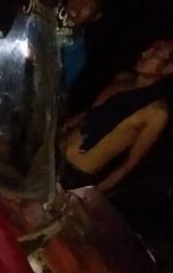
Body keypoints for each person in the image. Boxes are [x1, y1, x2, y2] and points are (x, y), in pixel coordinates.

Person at [62, 39, 173, 193]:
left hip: (75, 175)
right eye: (149, 48)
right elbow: (88, 115)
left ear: (168, 68)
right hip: (55, 152)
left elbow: (129, 164)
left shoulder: (156, 112)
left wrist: (89, 193)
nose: (144, 54)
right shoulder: (122, 79)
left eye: (156, 53)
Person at [57, 0, 104, 92]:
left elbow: (55, 91)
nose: (80, 3)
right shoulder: (41, 12)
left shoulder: (76, 54)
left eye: (90, 4)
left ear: (96, 16)